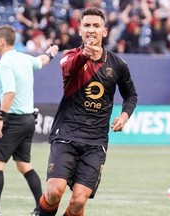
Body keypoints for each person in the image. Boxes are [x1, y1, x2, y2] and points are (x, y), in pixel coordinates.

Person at [38, 7, 138, 216]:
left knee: (78, 201)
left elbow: (131, 95)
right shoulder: (70, 57)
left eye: (96, 26)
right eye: (87, 25)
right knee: (54, 192)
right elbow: (69, 68)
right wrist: (84, 55)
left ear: (105, 31)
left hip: (96, 140)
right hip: (66, 134)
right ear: (80, 30)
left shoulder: (118, 65)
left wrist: (124, 115)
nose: (91, 30)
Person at [0, 25, 59, 216]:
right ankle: (42, 209)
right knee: (23, 165)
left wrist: (0, 119)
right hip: (28, 121)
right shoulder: (24, 57)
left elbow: (9, 93)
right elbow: (41, 61)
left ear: (1, 41)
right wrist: (50, 54)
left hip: (13, 120)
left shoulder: (4, 63)